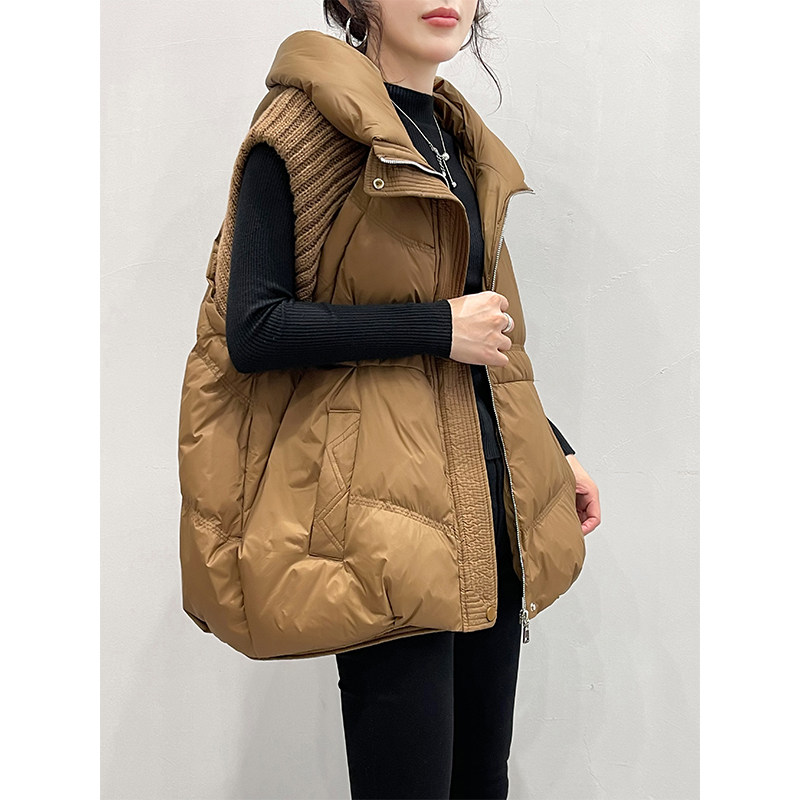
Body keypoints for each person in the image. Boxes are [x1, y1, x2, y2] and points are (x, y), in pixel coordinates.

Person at [224, 2, 601, 797]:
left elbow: (487, 337)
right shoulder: (304, 131)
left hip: (487, 509)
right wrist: (437, 326)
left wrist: (553, 448)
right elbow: (255, 329)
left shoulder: (457, 141)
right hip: (382, 522)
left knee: (480, 781)